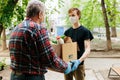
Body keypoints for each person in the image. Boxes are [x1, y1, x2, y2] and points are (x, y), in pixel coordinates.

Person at [9, 1, 76, 80]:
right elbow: (50, 59)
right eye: (44, 14)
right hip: (31, 77)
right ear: (40, 14)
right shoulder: (38, 28)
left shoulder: (17, 28)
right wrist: (67, 67)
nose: (44, 16)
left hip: (14, 76)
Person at [64, 8, 94, 80]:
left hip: (79, 65)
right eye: (70, 16)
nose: (71, 17)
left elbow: (88, 49)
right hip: (67, 65)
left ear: (78, 16)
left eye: (73, 15)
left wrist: (79, 61)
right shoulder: (67, 32)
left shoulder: (85, 31)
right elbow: (64, 48)